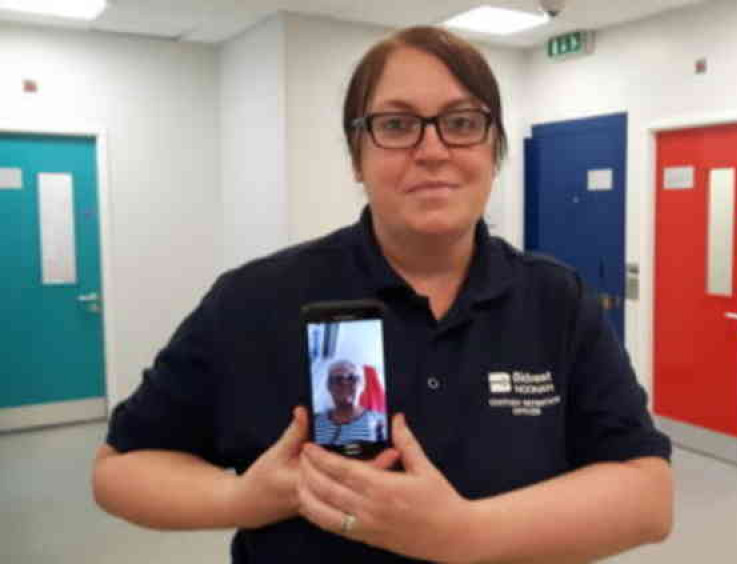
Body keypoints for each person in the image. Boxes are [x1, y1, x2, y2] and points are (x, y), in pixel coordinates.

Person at [92, 25, 673, 563]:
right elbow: (119, 469)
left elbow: (647, 497)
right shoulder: (254, 299)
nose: (433, 149)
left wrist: (461, 532)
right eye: (396, 125)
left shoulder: (556, 301)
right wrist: (241, 499)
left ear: (493, 149)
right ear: (356, 156)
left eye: (463, 122)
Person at [314, 360, 385, 445]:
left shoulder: (381, 421)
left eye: (352, 378)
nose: (345, 383)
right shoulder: (314, 421)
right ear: (328, 386)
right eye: (338, 379)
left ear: (362, 386)